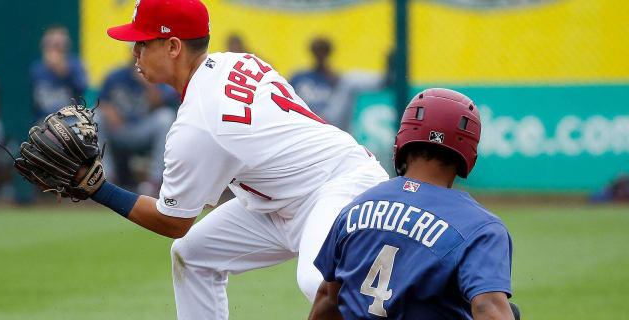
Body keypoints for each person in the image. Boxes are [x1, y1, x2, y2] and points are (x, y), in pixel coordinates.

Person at [95, 0, 389, 318]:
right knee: (192, 254)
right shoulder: (237, 61)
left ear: (173, 46)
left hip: (338, 186)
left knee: (315, 280)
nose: (134, 52)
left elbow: (173, 221)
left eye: (142, 43)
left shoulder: (198, 122)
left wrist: (97, 189)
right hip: (285, 198)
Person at [310, 88, 515, 319]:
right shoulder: (481, 227)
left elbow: (328, 299)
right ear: (469, 154)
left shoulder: (357, 208)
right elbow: (488, 308)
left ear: (402, 140)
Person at [97, 56, 177, 193]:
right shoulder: (115, 76)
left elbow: (160, 103)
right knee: (96, 117)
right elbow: (101, 102)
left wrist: (147, 83)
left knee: (166, 117)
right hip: (119, 129)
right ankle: (107, 179)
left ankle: (154, 181)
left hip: (143, 130)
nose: (138, 56)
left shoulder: (158, 76)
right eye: (136, 52)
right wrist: (107, 109)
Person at [30, 25, 88, 123]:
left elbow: (83, 87)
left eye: (58, 45)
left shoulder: (75, 64)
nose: (54, 48)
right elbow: (37, 104)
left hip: (71, 119)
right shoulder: (37, 68)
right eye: (50, 44)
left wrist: (63, 70)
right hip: (45, 120)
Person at [290, 37, 337, 124]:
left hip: (329, 124)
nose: (320, 54)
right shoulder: (299, 78)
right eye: (317, 51)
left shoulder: (336, 80)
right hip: (303, 121)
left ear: (328, 53)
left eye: (323, 51)